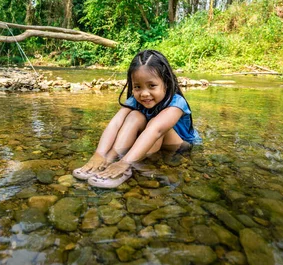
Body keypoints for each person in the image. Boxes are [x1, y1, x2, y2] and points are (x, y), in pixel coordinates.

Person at [73, 50, 202, 188]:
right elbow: (115, 124)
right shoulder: (135, 100)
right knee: (135, 116)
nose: (144, 93)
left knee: (155, 123)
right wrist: (100, 154)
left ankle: (128, 166)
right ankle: (109, 161)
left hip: (180, 145)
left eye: (152, 86)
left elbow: (156, 130)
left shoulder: (177, 103)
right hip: (150, 137)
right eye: (137, 87)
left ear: (166, 83)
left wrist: (125, 162)